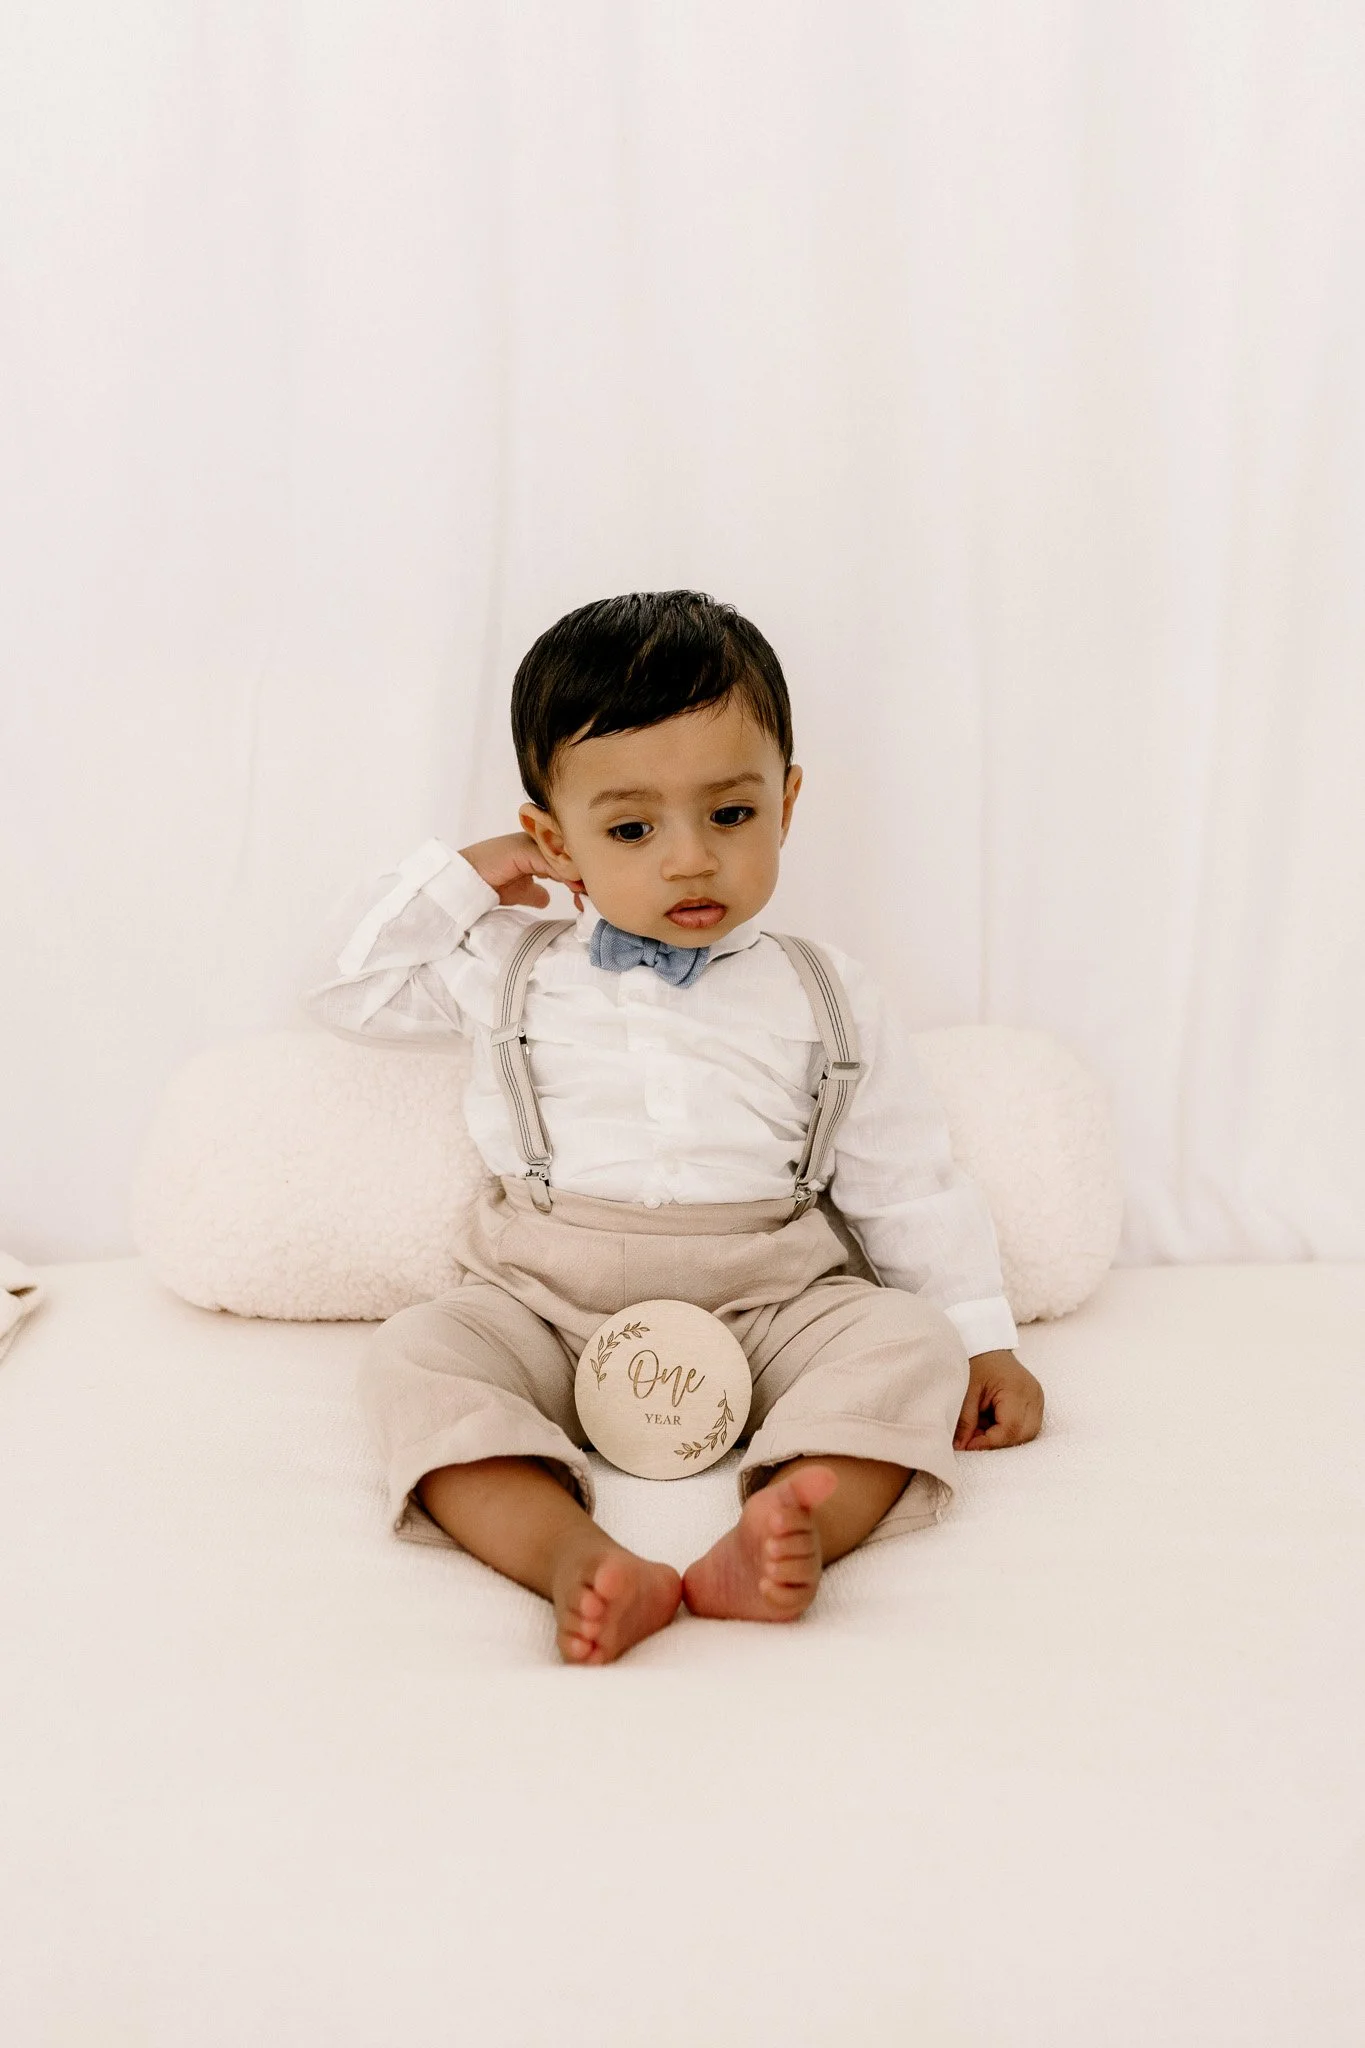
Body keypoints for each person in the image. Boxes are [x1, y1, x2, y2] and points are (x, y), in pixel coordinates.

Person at [302, 590, 1044, 1664]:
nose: (690, 859)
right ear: (555, 837)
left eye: (730, 815)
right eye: (633, 828)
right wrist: (474, 876)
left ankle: (788, 1526)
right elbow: (342, 987)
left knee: (904, 1344)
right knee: (417, 1357)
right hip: (543, 1295)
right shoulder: (509, 964)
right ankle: (568, 1553)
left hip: (772, 1291)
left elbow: (906, 1176)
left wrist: (982, 1336)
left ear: (786, 802)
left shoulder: (825, 989)